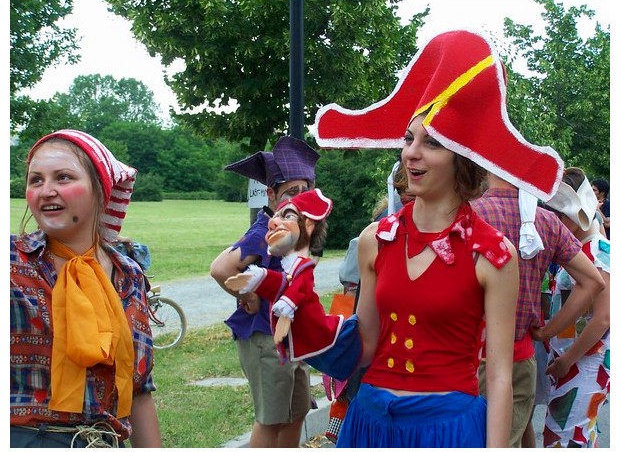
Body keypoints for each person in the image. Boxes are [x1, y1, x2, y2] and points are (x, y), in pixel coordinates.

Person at [303, 28, 576, 447]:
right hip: (370, 425)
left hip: (448, 431)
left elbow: (501, 374)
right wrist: (302, 314)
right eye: (409, 138)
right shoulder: (375, 239)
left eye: (431, 142)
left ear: (461, 159)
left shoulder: (493, 254)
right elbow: (367, 342)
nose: (411, 152)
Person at [10, 129, 162, 448]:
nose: (46, 190)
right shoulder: (11, 261)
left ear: (100, 190)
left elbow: (139, 389)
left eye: (63, 177)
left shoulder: (128, 274)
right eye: (36, 180)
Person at [471, 173, 604, 448]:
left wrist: (552, 338)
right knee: (512, 439)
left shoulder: (468, 215)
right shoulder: (546, 223)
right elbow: (592, 282)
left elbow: (603, 314)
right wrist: (545, 334)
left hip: (473, 355)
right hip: (522, 356)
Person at [209, 135, 319, 448]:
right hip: (264, 340)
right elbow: (220, 268)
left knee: (295, 413)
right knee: (271, 421)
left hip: (291, 339)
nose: (298, 199)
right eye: (290, 192)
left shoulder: (294, 230)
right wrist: (248, 295)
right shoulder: (264, 230)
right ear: (271, 195)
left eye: (304, 191)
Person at [532, 167, 610, 448]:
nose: (555, 221)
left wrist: (566, 360)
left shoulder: (599, 250)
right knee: (577, 437)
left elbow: (603, 319)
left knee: (564, 441)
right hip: (573, 361)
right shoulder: (580, 249)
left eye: (560, 214)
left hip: (584, 363)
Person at [224, 188, 342, 363]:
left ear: (308, 225)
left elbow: (298, 287)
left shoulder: (301, 265)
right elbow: (280, 283)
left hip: (307, 335)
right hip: (275, 338)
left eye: (287, 216)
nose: (273, 223)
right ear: (271, 193)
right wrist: (259, 279)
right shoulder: (262, 238)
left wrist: (286, 304)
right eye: (292, 190)